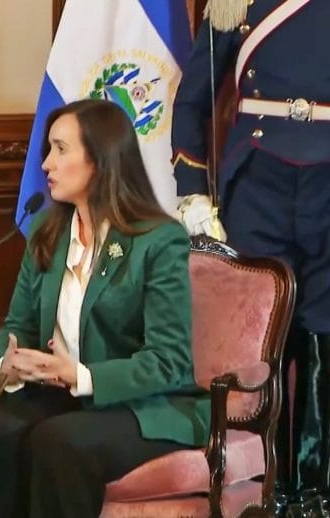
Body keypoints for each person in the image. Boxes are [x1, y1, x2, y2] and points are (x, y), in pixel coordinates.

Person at [0, 99, 209, 518]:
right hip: (59, 399)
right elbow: (15, 325)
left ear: (100, 159)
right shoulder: (47, 232)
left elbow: (169, 361)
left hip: (144, 406)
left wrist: (79, 374)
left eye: (60, 149)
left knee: (59, 444)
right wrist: (12, 360)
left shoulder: (158, 240)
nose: (45, 164)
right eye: (48, 150)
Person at [171, 0, 330, 504]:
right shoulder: (235, 2)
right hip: (259, 182)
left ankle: (314, 490)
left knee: (326, 328)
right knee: (261, 335)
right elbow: (193, 97)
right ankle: (264, 485)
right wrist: (192, 187)